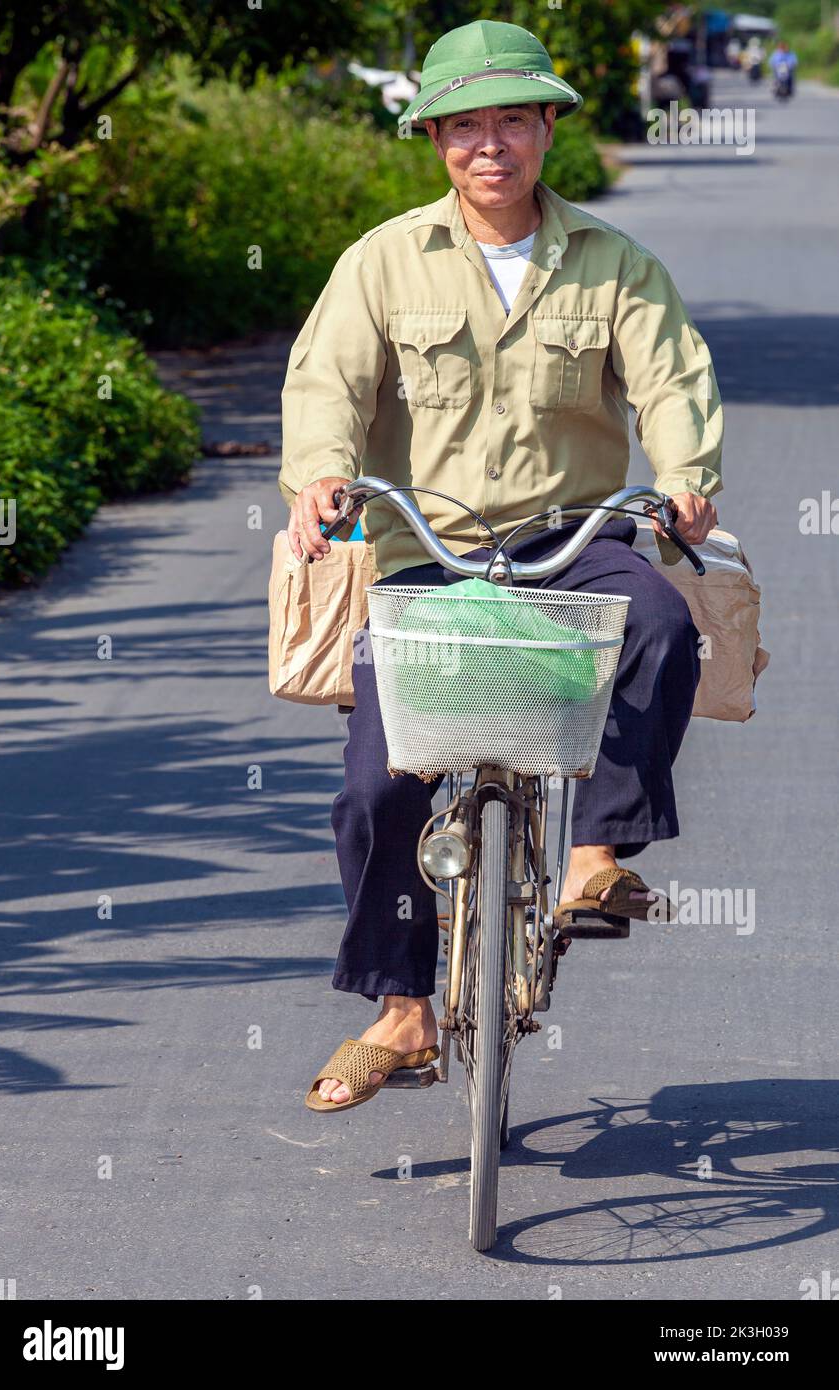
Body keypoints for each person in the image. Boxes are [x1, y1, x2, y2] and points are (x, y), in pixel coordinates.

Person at [278, 20, 723, 1111]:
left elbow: (669, 381)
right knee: (379, 784)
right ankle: (402, 1012)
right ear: (433, 138)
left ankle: (592, 858)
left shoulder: (615, 264)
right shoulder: (380, 260)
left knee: (661, 627)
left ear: (547, 129)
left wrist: (681, 473)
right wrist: (321, 474)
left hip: (570, 541)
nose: (489, 145)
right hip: (424, 557)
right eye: (464, 126)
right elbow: (326, 382)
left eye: (510, 121)